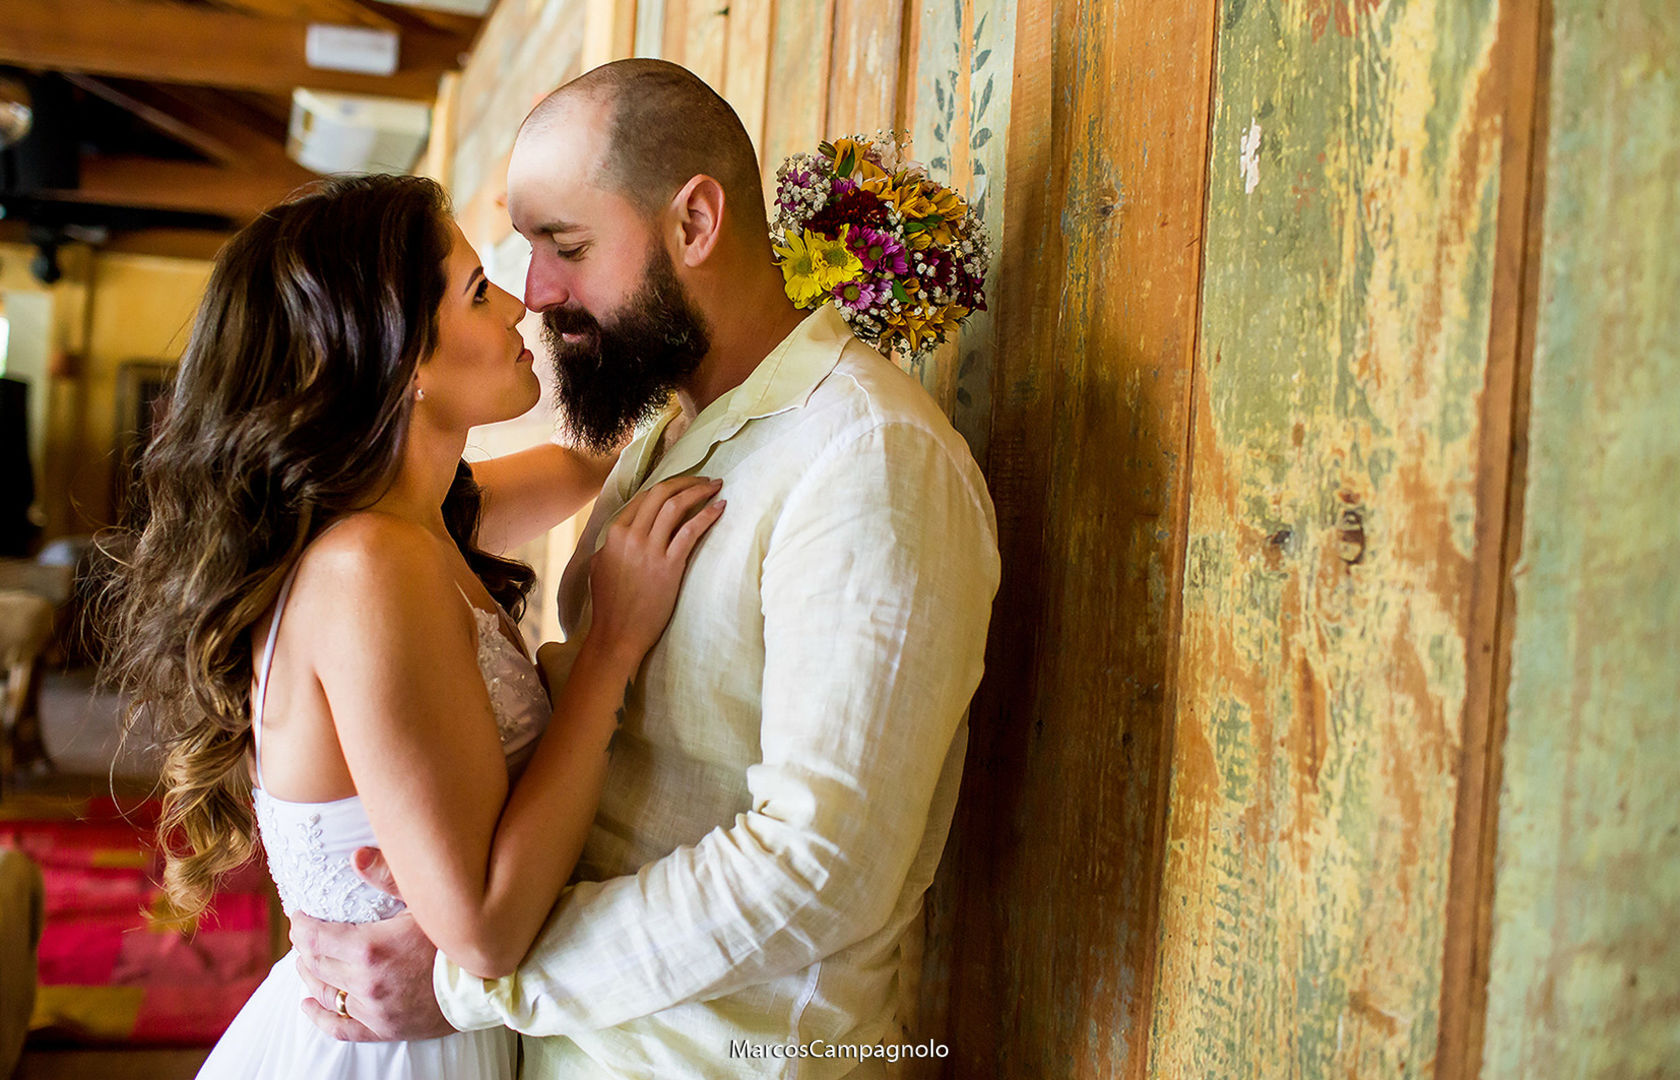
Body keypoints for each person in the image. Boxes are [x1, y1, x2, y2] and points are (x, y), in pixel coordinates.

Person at [292, 60, 1001, 1078]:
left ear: (696, 225)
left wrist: (474, 977)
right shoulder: (669, 438)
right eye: (521, 253)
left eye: (564, 246)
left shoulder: (865, 458)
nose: (533, 295)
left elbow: (821, 868)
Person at [98, 173, 724, 1079]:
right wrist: (611, 650)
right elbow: (484, 930)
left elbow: (593, 462)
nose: (518, 305)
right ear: (401, 361)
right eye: (478, 291)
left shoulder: (418, 521)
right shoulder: (367, 569)